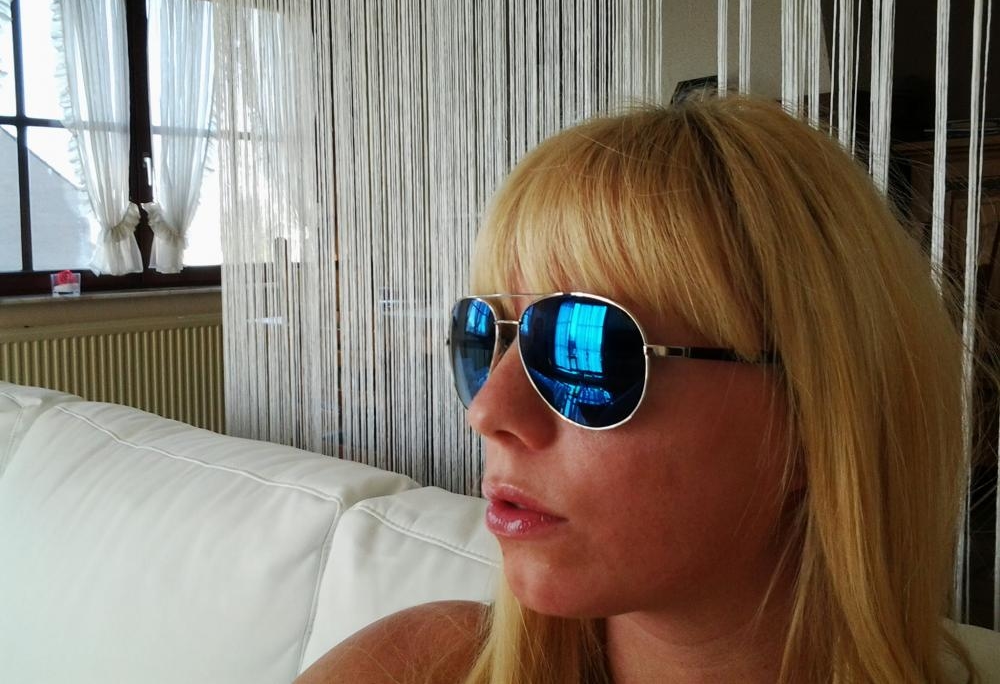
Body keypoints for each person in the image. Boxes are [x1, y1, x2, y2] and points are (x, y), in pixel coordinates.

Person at [296, 96, 983, 683]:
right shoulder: (416, 664)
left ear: (814, 422)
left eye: (585, 349)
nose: (487, 411)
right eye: (487, 337)